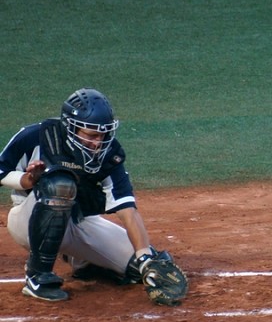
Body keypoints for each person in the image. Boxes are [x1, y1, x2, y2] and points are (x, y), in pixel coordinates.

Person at [0, 88, 184, 303]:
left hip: (79, 222)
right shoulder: (38, 136)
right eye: (91, 135)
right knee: (60, 185)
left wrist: (145, 258)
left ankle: (82, 260)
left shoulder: (110, 154)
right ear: (71, 127)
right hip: (28, 221)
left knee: (136, 266)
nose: (98, 142)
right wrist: (28, 180)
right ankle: (38, 276)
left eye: (102, 135)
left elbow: (127, 210)